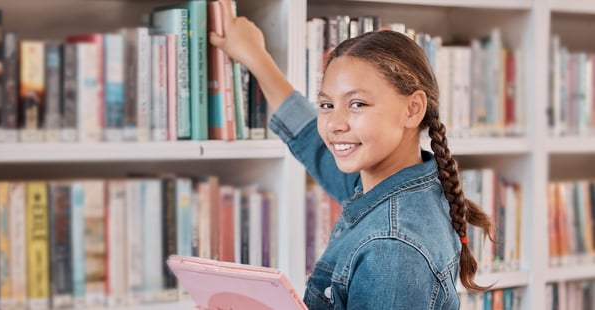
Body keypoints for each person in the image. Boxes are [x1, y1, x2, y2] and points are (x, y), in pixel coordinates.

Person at [210, 0, 494, 308]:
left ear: (413, 109)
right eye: (327, 105)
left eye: (357, 104)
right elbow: (310, 140)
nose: (334, 124)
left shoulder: (391, 249)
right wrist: (255, 57)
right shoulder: (393, 183)